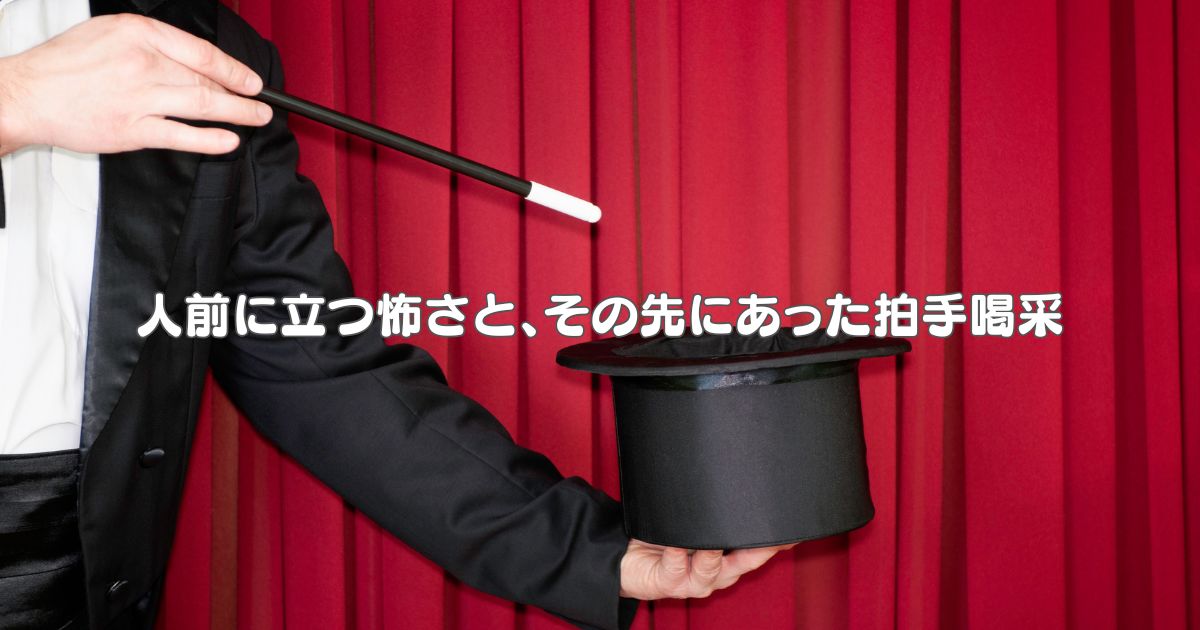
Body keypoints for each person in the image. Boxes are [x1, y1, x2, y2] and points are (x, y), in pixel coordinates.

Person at [0, 1, 791, 628]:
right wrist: (15, 99)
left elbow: (317, 366)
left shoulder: (198, 48)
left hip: (83, 573)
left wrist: (592, 551)